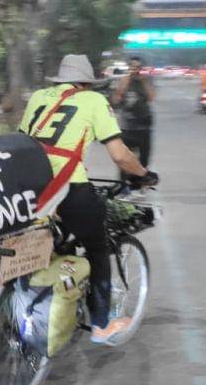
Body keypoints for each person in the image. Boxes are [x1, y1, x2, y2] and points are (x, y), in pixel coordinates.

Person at [19, 54, 158, 345]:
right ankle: (100, 325)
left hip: (28, 186)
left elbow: (23, 140)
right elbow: (120, 155)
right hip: (68, 189)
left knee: (53, 240)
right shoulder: (93, 100)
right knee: (98, 247)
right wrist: (143, 175)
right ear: (85, 83)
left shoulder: (38, 97)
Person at [111, 56, 155, 178]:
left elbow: (151, 98)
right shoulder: (123, 80)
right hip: (127, 127)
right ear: (129, 68)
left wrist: (143, 81)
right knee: (125, 160)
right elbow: (115, 100)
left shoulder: (146, 81)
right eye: (132, 67)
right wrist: (124, 84)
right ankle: (125, 187)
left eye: (138, 67)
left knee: (144, 159)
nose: (135, 70)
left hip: (143, 126)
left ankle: (140, 185)